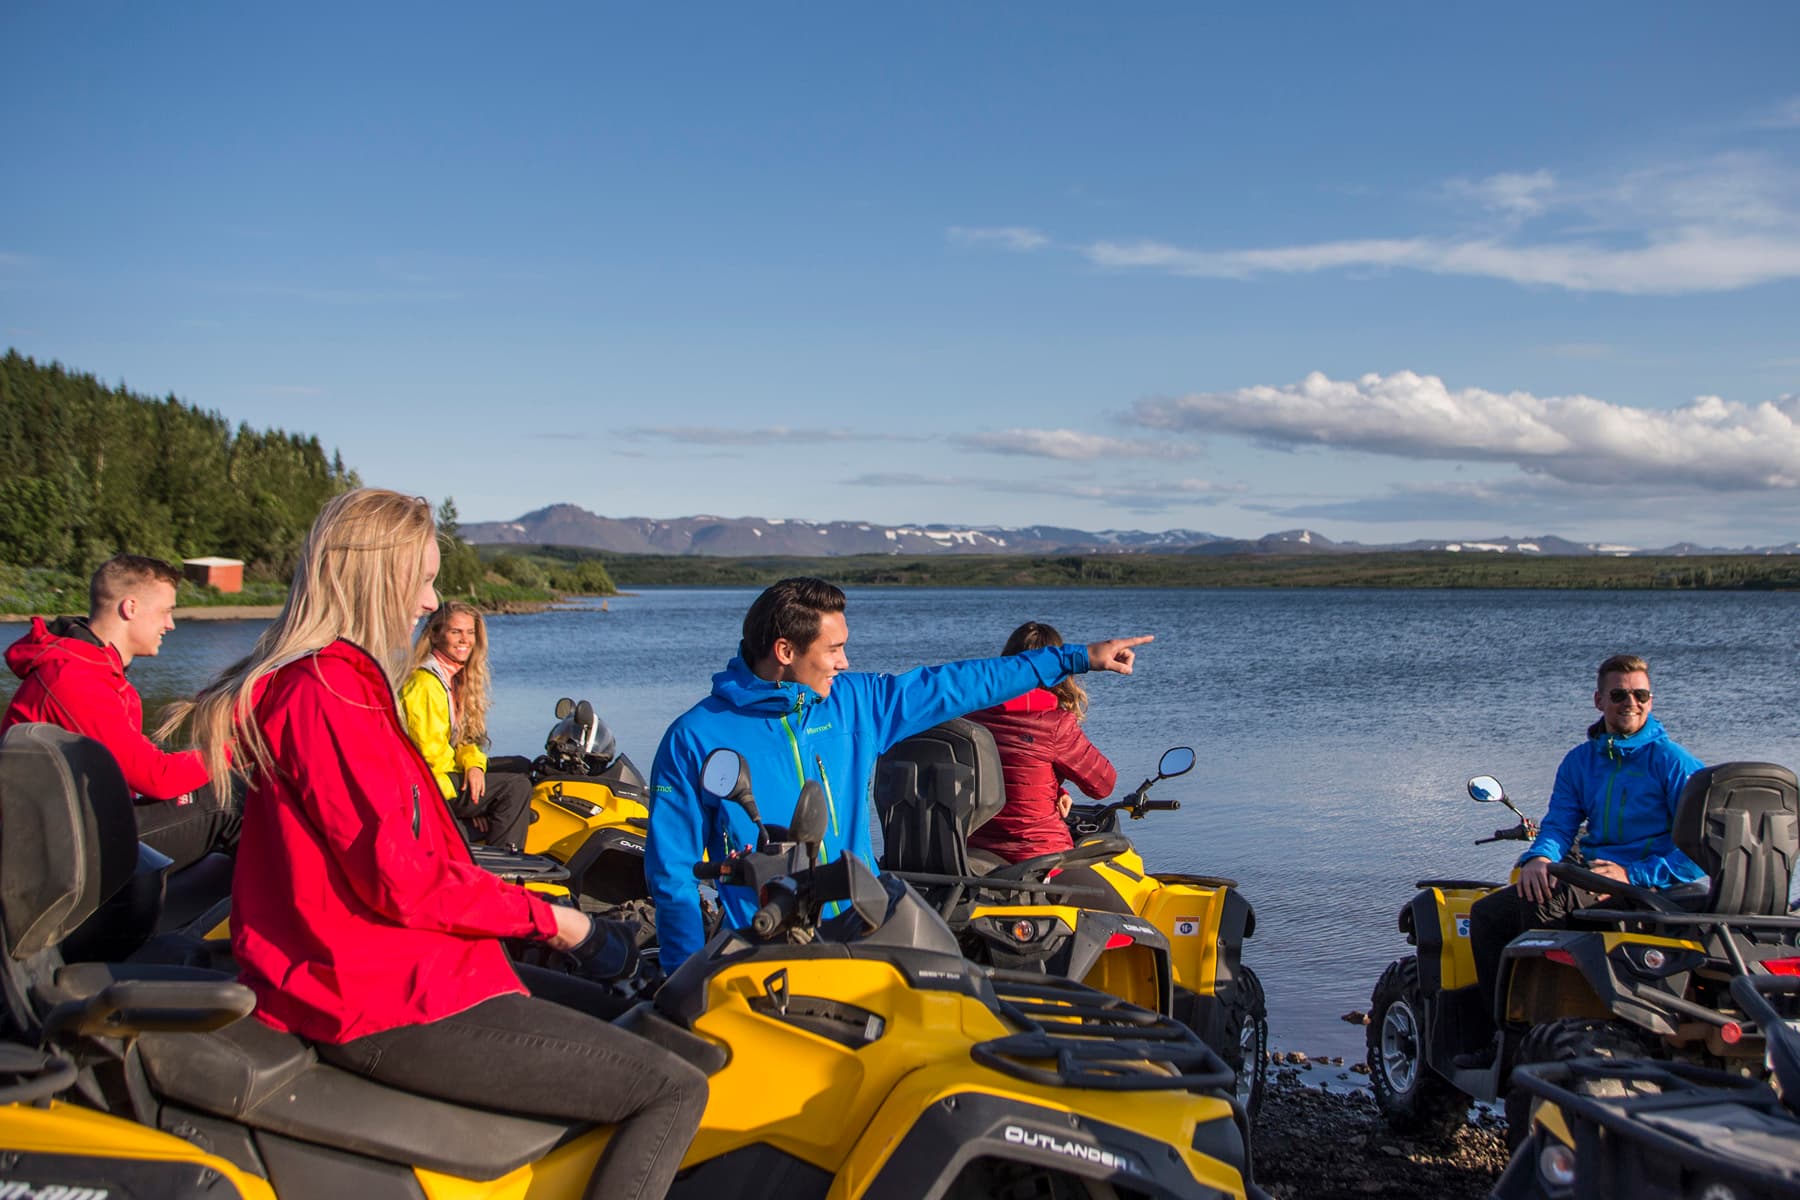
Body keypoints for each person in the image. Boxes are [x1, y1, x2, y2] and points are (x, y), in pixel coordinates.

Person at [175, 489, 705, 1200]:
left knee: (641, 1023)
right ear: (373, 577)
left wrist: (528, 923)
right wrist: (562, 923)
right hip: (375, 996)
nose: (431, 603)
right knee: (672, 1087)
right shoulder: (326, 693)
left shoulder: (352, 686)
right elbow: (402, 878)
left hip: (412, 970)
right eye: (422, 580)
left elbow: (424, 860)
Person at [647, 576, 1153, 973]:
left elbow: (961, 683)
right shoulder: (694, 737)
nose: (845, 662)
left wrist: (1077, 658)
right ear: (785, 652)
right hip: (763, 947)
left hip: (861, 930)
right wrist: (683, 978)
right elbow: (673, 876)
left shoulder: (857, 703)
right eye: (833, 649)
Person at [1457, 653, 1705, 1069]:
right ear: (1599, 700)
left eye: (1640, 695)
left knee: (1543, 904)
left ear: (1652, 699)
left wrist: (1632, 874)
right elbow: (1559, 824)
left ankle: (1539, 1039)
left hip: (1649, 885)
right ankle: (1504, 1035)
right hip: (1595, 876)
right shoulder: (1580, 761)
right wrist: (1539, 857)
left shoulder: (1673, 762)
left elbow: (1699, 851)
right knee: (1488, 915)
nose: (1631, 703)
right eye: (1619, 694)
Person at [2, 554, 240, 871]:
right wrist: (237, 750)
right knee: (226, 804)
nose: (170, 624)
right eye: (166, 611)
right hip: (59, 851)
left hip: (79, 825)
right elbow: (157, 777)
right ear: (130, 608)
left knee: (225, 793)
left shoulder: (93, 669)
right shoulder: (75, 679)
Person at [966, 620, 1117, 864]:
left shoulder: (970, 714)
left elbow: (1001, 773)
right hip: (1039, 857)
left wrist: (1056, 790)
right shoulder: (1056, 724)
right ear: (1058, 670)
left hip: (974, 850)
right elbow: (1102, 785)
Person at [400, 601, 532, 849]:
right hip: (430, 785)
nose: (465, 640)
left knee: (521, 766)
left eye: (470, 632)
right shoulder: (425, 684)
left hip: (444, 774)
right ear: (435, 635)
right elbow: (430, 756)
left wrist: (473, 766)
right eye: (455, 632)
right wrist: (475, 802)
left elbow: (464, 740)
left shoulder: (454, 678)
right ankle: (503, 864)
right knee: (516, 787)